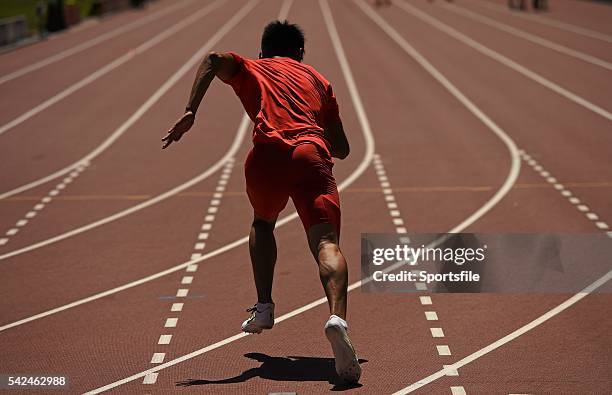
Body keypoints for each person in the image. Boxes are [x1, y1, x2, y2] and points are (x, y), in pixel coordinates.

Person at [162, 21, 361, 383]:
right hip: (310, 153)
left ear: (262, 51)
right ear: (301, 53)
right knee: (326, 244)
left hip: (266, 156)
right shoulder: (319, 80)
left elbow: (211, 59)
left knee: (262, 223)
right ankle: (336, 317)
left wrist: (191, 110)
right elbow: (343, 149)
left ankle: (264, 306)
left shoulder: (252, 67)